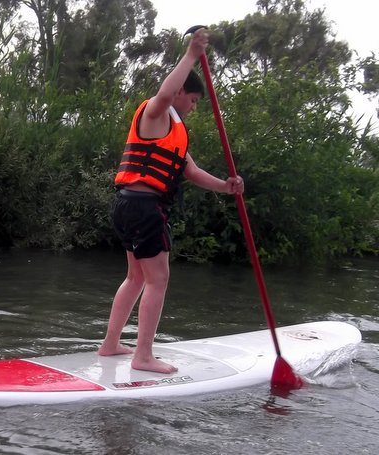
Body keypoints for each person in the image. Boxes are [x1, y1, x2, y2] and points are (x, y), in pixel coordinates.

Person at [98, 27, 244, 374]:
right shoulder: (156, 112)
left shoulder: (173, 133)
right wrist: (192, 55)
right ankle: (143, 356)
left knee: (135, 277)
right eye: (193, 101)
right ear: (181, 92)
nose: (193, 107)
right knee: (157, 279)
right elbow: (164, 93)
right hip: (144, 209)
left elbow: (191, 171)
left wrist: (227, 186)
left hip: (128, 206)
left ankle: (110, 345)